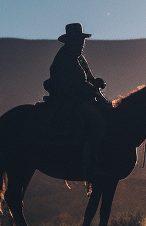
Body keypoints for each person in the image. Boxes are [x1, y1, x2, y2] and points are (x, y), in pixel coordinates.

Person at [42, 23, 109, 175]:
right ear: (72, 41)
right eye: (80, 40)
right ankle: (91, 163)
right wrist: (88, 89)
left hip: (79, 97)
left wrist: (94, 83)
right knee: (96, 121)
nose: (82, 43)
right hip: (69, 100)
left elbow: (86, 79)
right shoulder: (66, 57)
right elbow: (70, 83)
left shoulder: (78, 58)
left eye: (82, 40)